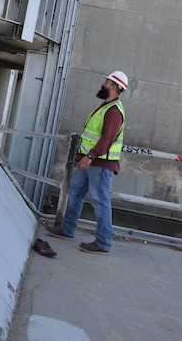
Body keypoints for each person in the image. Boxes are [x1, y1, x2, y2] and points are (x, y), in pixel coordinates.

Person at [48, 70, 128, 254]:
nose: (103, 83)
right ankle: (67, 230)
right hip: (88, 161)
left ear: (115, 87)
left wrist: (91, 156)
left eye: (107, 82)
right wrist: (82, 156)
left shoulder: (114, 111)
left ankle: (103, 243)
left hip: (99, 163)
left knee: (100, 201)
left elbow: (107, 139)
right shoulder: (105, 107)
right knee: (75, 194)